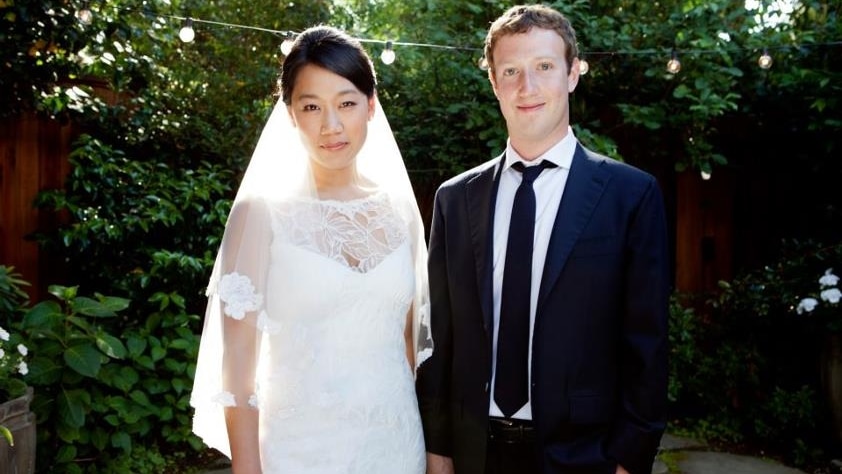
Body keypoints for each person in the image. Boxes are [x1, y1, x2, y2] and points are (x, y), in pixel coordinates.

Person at [416, 5, 669, 474]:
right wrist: (439, 450)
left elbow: (647, 345)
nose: (526, 87)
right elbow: (439, 340)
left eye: (544, 67)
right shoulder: (454, 199)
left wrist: (629, 460)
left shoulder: (630, 195)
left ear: (572, 74)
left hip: (584, 455)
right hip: (475, 454)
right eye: (510, 71)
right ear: (493, 83)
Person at [190, 25, 432, 473]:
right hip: (299, 454)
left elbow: (410, 346)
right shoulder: (259, 214)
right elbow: (238, 370)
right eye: (312, 107)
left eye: (346, 103)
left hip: (398, 448)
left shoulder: (400, 210)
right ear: (290, 116)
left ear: (371, 106)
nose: (332, 125)